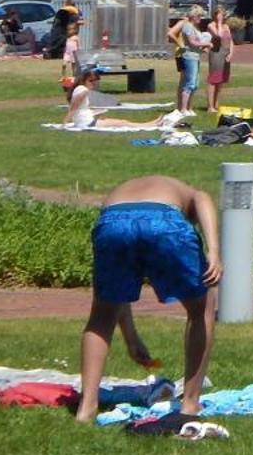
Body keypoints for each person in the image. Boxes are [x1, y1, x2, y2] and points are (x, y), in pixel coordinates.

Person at [74, 174, 220, 423]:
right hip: (163, 219)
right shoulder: (185, 191)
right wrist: (214, 250)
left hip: (113, 221)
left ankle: (86, 408)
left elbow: (120, 294)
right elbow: (202, 197)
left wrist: (131, 339)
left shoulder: (131, 187)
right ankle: (190, 403)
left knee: (102, 313)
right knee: (202, 307)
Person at [63, 66, 169, 130]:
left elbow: (78, 109)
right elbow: (73, 109)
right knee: (122, 123)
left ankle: (151, 123)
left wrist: (96, 112)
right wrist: (64, 124)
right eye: (91, 81)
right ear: (84, 80)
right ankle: (149, 125)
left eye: (95, 81)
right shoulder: (83, 91)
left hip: (86, 120)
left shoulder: (79, 89)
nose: (94, 83)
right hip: (86, 123)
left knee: (119, 121)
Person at [175, 11, 210, 115]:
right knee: (189, 83)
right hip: (189, 57)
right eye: (199, 16)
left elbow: (195, 45)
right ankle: (183, 108)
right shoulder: (188, 27)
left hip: (195, 56)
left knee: (195, 84)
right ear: (193, 16)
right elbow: (192, 42)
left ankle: (189, 108)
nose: (200, 18)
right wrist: (206, 44)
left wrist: (202, 49)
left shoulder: (194, 27)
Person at [204, 10, 234, 115]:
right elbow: (219, 35)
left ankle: (216, 103)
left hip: (225, 54)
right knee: (213, 80)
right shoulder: (211, 25)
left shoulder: (226, 26)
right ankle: (210, 106)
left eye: (223, 14)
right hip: (216, 54)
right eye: (219, 14)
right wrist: (219, 23)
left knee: (221, 80)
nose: (222, 16)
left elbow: (230, 41)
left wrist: (231, 53)